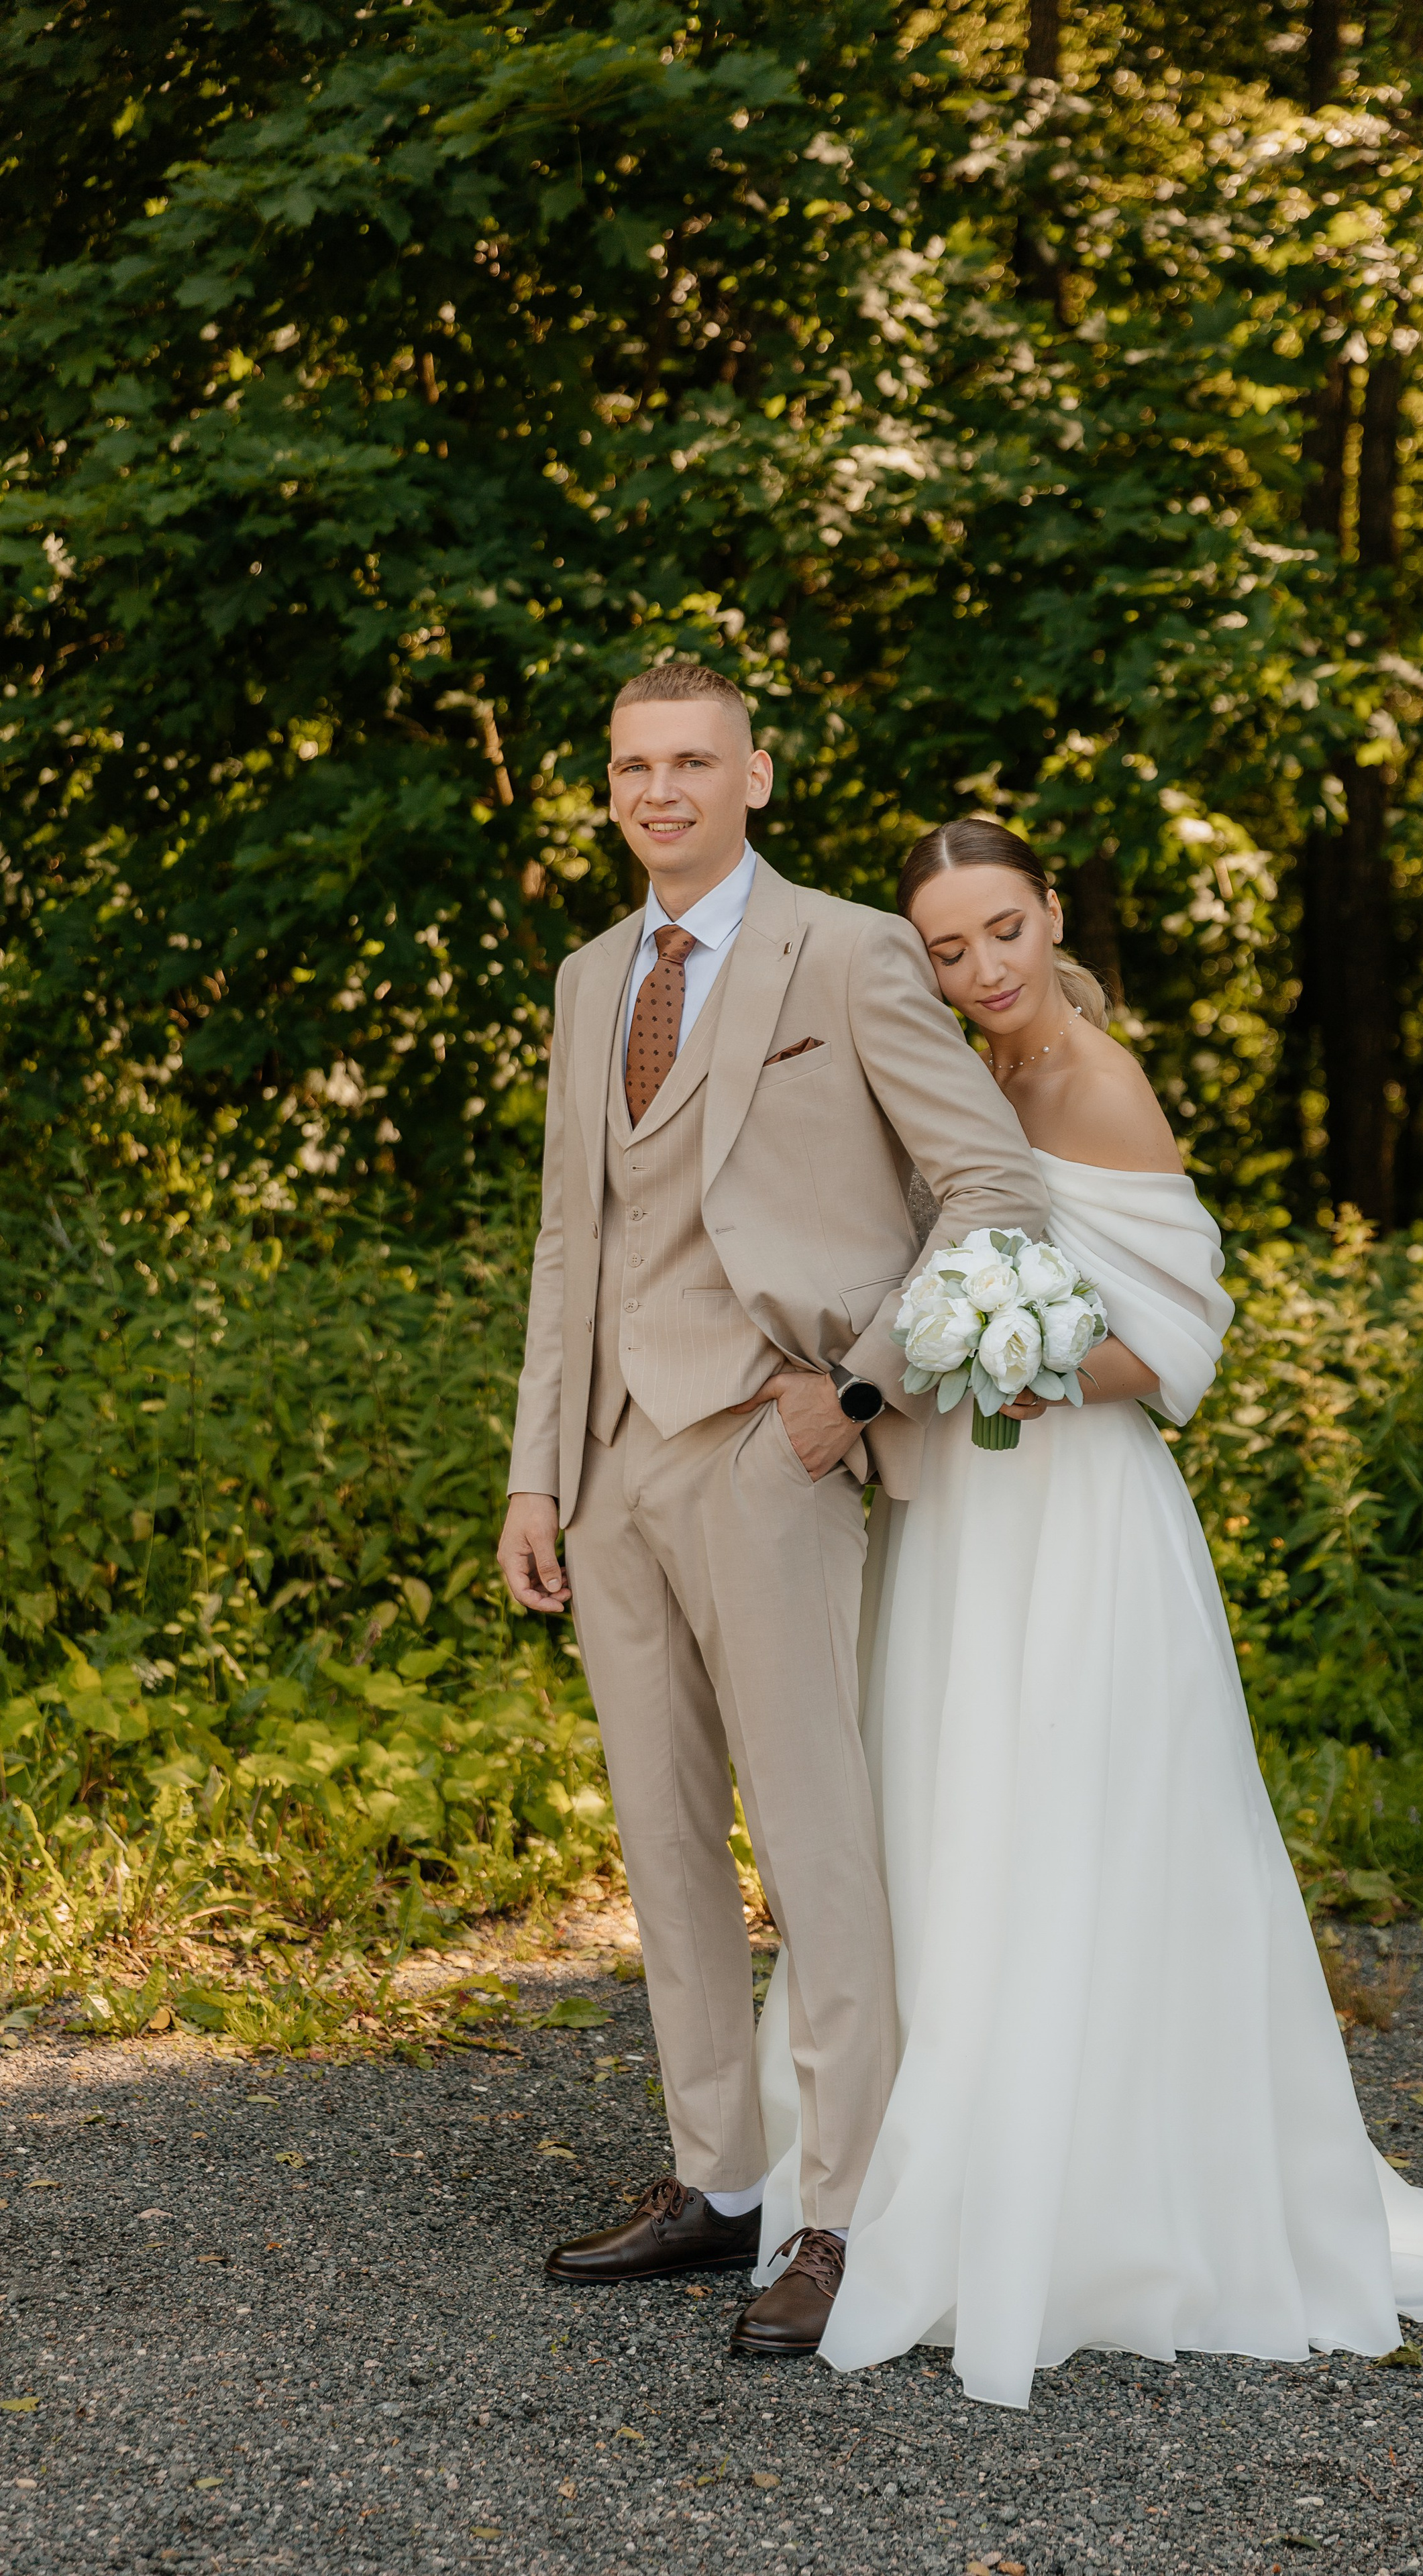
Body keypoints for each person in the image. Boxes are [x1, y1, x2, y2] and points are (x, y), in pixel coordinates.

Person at [753, 814, 1423, 2408]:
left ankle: (1095, 2207)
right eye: (945, 948)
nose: (982, 969)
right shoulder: (958, 1085)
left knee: (1070, 1832)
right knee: (939, 1821)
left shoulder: (1097, 1086)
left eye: (1004, 930)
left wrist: (1013, 1355)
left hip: (1074, 1519)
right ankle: (899, 2180)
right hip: (956, 1521)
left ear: (1053, 915)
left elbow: (1179, 1344)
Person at [496, 676, 1051, 2357]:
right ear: (609, 791)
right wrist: (535, 1469)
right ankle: (714, 2179)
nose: (658, 792)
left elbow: (992, 1188)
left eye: (688, 764)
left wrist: (863, 1387)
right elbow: (566, 1247)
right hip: (610, 1465)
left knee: (814, 1840)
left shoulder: (849, 951)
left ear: (752, 775)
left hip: (771, 1440)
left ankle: (841, 2214)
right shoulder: (594, 976)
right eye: (630, 769)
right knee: (661, 1843)